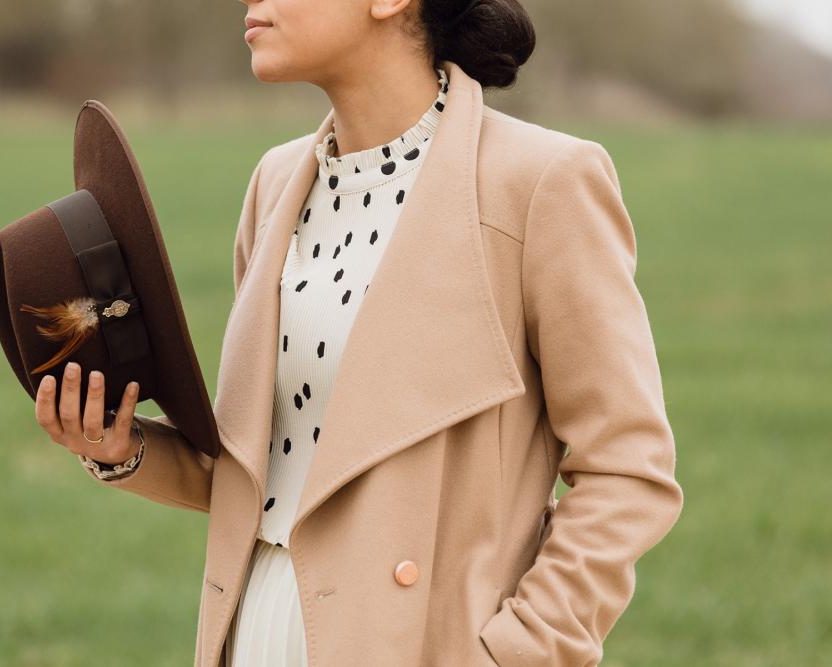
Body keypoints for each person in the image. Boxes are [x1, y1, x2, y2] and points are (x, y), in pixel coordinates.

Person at [34, 1, 684, 665]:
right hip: (254, 627)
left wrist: (520, 651)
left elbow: (628, 469)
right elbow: (263, 470)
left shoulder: (540, 183)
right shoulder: (276, 184)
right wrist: (123, 447)